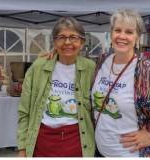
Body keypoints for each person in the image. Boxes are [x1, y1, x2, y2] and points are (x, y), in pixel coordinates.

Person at [92, 9, 150, 157]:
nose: (122, 36)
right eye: (118, 30)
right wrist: (54, 54)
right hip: (99, 151)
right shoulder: (102, 61)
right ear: (111, 33)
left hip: (129, 154)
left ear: (137, 37)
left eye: (129, 32)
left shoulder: (146, 71)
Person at [17, 17, 95, 157]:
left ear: (82, 42)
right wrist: (22, 148)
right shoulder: (39, 67)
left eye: (73, 37)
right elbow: (24, 112)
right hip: (42, 142)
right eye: (61, 37)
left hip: (78, 142)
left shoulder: (92, 69)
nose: (67, 42)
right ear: (54, 42)